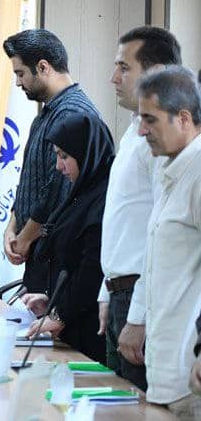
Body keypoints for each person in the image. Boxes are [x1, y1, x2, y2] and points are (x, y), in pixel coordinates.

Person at [97, 26, 180, 390]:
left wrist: (139, 316)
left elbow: (162, 234)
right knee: (120, 404)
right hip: (121, 293)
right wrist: (106, 290)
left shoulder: (164, 136)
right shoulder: (135, 130)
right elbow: (124, 222)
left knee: (141, 407)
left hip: (140, 297)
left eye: (124, 67)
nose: (114, 78)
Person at [118, 66, 201, 417]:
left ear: (183, 118)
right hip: (166, 376)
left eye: (150, 120)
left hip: (190, 378)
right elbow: (156, 264)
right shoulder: (171, 171)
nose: (141, 130)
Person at [1, 29, 100, 293]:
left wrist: (24, 238)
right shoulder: (47, 114)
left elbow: (57, 189)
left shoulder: (71, 113)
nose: (18, 82)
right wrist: (12, 228)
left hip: (55, 253)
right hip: (38, 249)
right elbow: (29, 181)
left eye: (20, 73)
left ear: (43, 67)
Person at [21, 112, 114, 363]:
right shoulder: (80, 194)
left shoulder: (103, 198)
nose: (58, 166)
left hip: (90, 333)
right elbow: (69, 264)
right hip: (71, 325)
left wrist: (60, 314)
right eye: (57, 156)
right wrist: (52, 301)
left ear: (87, 154)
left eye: (64, 156)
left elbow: (92, 270)